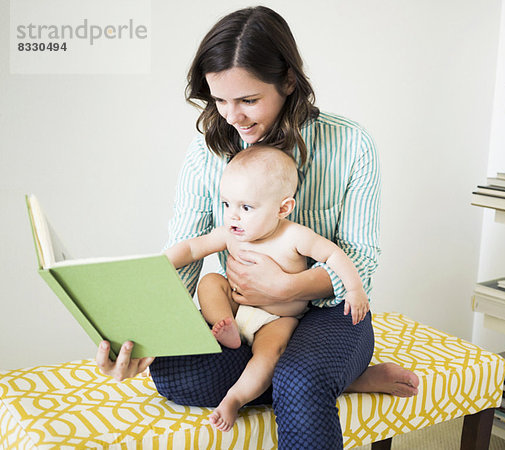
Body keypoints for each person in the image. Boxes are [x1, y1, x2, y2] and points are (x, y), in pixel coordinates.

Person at [95, 6, 419, 449]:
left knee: (300, 377)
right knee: (174, 372)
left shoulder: (352, 144)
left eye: (248, 100)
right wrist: (140, 330)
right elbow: (186, 251)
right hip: (246, 318)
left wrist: (287, 288)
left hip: (328, 314)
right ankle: (345, 379)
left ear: (288, 81)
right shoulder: (207, 150)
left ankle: (311, 376)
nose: (233, 116)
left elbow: (359, 259)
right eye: (219, 100)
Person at [164, 145, 370, 431]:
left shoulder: (294, 236)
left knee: (268, 355)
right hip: (237, 307)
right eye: (226, 204)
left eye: (246, 207)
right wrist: (159, 264)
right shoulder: (231, 234)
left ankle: (234, 398)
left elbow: (334, 255)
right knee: (211, 282)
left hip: (276, 320)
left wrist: (354, 289)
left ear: (283, 208)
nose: (233, 216)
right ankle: (225, 325)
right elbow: (191, 247)